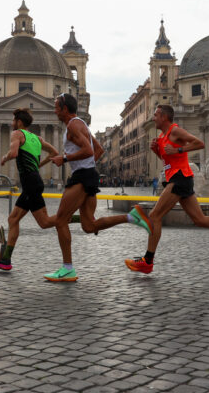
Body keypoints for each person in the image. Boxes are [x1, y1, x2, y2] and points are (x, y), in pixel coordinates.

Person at [124, 104, 209, 275]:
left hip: (180, 179)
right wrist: (157, 151)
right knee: (200, 219)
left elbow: (199, 143)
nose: (153, 118)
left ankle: (147, 261)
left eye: (155, 115)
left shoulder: (174, 131)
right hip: (178, 178)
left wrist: (179, 148)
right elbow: (170, 160)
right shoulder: (163, 136)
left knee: (155, 215)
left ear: (164, 117)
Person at [42, 93, 151, 282]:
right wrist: (89, 167)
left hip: (82, 178)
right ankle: (131, 216)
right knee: (88, 226)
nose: (54, 110)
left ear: (65, 108)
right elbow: (98, 150)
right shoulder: (81, 124)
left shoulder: (73, 125)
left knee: (60, 220)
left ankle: (68, 269)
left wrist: (66, 159)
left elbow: (89, 151)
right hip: (87, 175)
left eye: (56, 107)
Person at [0, 108, 59, 271]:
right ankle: (5, 260)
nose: (12, 124)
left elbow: (13, 153)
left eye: (13, 121)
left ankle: (76, 218)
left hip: (31, 183)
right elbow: (54, 152)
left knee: (45, 222)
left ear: (19, 122)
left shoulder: (18, 134)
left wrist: (5, 157)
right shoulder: (37, 138)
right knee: (13, 219)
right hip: (33, 182)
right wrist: (39, 165)